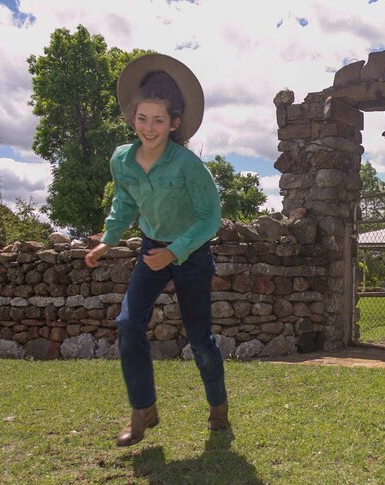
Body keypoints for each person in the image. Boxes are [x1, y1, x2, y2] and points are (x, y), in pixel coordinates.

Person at [85, 54, 230, 447]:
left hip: (192, 252)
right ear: (133, 118)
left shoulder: (187, 165)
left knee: (199, 340)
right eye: (142, 119)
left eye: (159, 121)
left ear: (175, 124)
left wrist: (177, 251)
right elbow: (125, 202)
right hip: (151, 248)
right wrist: (107, 240)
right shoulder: (122, 159)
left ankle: (218, 407)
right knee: (128, 324)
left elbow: (210, 218)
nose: (149, 128)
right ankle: (143, 411)